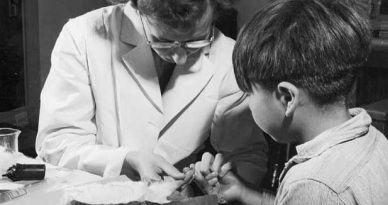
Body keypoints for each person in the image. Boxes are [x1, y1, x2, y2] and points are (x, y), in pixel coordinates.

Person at [35, 0, 268, 189]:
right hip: (94, 192)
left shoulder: (228, 57)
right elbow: (56, 142)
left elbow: (246, 154)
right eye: (163, 42)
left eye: (196, 41)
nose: (180, 58)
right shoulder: (82, 35)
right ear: (137, 8)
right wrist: (125, 160)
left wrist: (219, 175)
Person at [195, 0, 388, 204]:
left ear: (287, 98)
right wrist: (244, 193)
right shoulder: (374, 140)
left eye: (249, 92)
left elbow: (313, 194)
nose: (249, 104)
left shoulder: (313, 185)